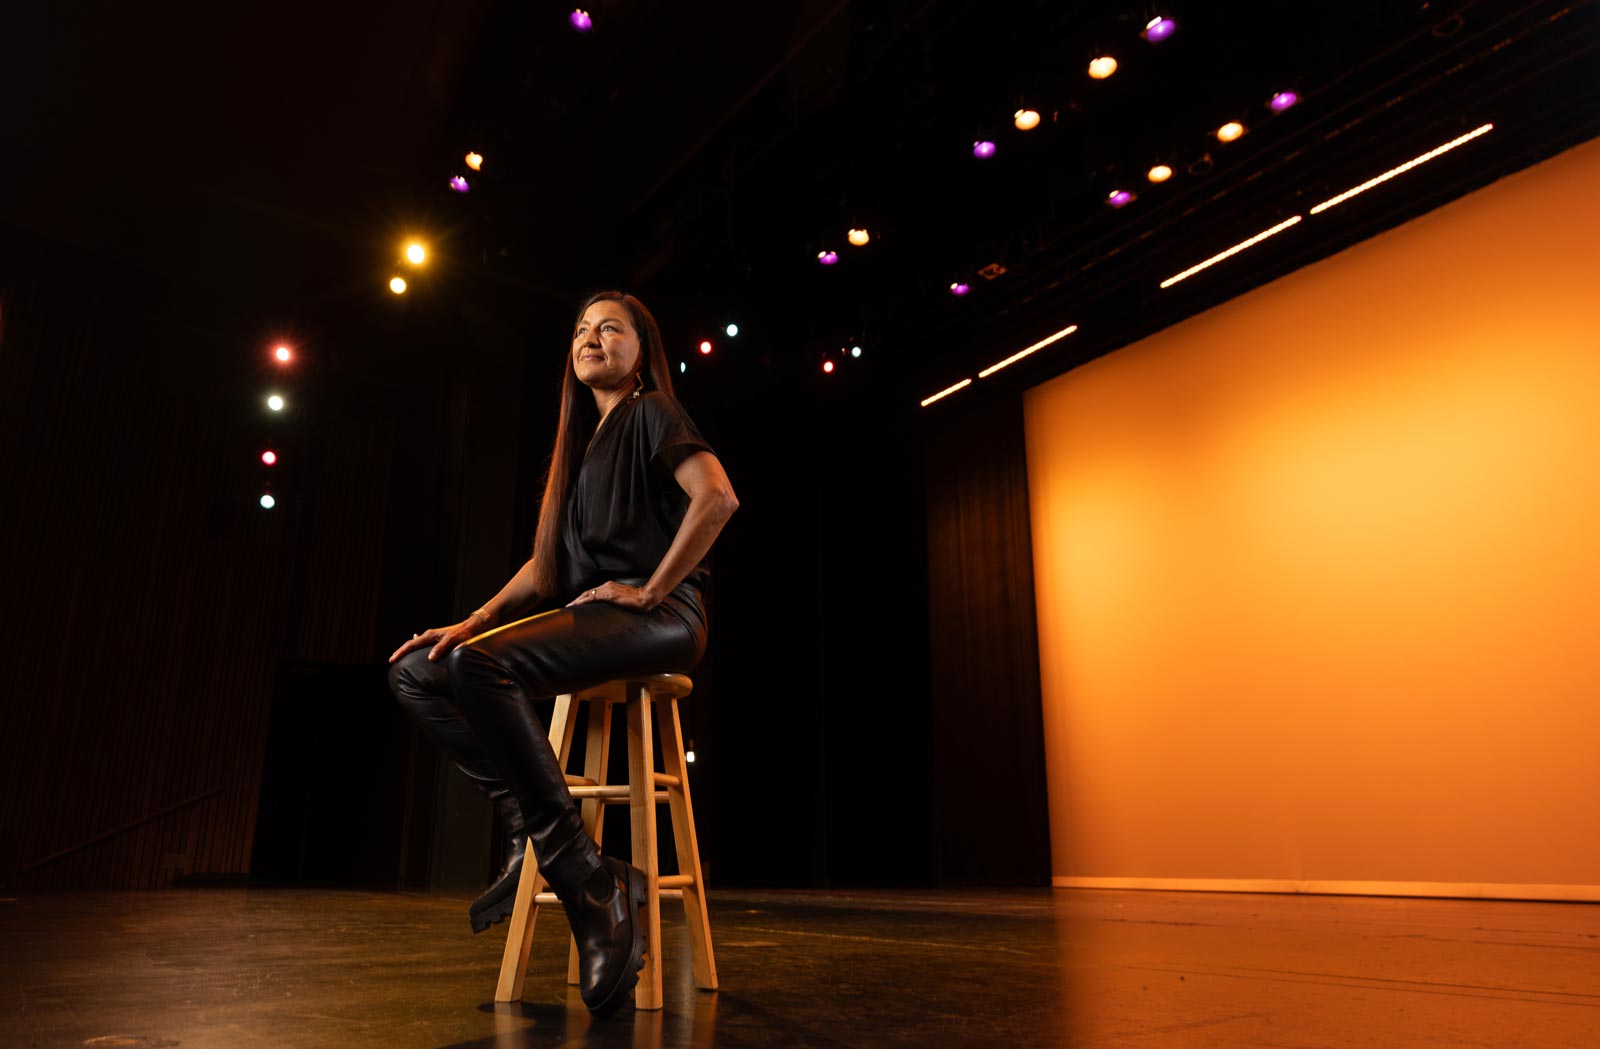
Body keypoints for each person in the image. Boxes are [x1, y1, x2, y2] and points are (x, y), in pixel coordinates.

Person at [386, 291, 738, 1015]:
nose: (592, 336)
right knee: (418, 671)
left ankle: (586, 881)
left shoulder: (653, 414)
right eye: (581, 328)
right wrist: (470, 620)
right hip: (601, 617)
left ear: (644, 353)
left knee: (478, 665)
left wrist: (651, 589)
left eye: (612, 327)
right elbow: (547, 572)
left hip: (664, 617)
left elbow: (718, 499)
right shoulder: (579, 453)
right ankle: (558, 843)